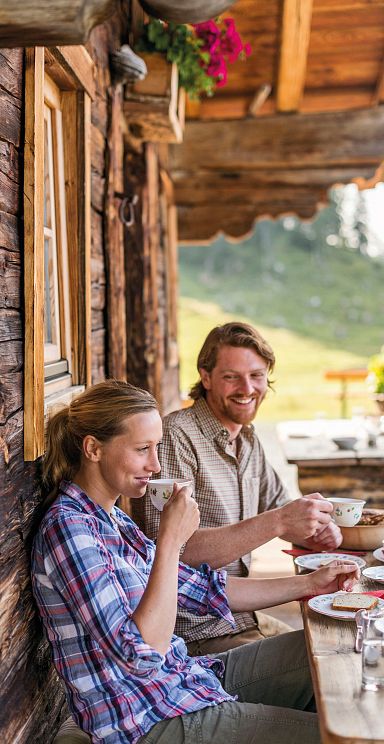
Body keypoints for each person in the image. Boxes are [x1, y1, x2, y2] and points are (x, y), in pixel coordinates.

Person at [31, 380, 358, 744]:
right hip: (147, 722)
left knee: (334, 648)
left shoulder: (112, 518)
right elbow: (140, 653)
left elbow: (202, 589)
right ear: (93, 448)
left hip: (184, 681)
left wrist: (310, 584)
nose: (155, 465)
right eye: (142, 449)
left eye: (156, 448)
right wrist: (172, 540)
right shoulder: (69, 530)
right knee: (346, 737)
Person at [132, 322, 343, 653]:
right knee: (326, 657)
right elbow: (173, 552)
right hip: (196, 633)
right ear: (206, 377)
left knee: (333, 644)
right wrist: (281, 521)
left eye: (257, 376)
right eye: (232, 377)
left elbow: (282, 510)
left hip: (242, 615)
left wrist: (318, 529)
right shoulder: (177, 436)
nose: (247, 388)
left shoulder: (246, 437)